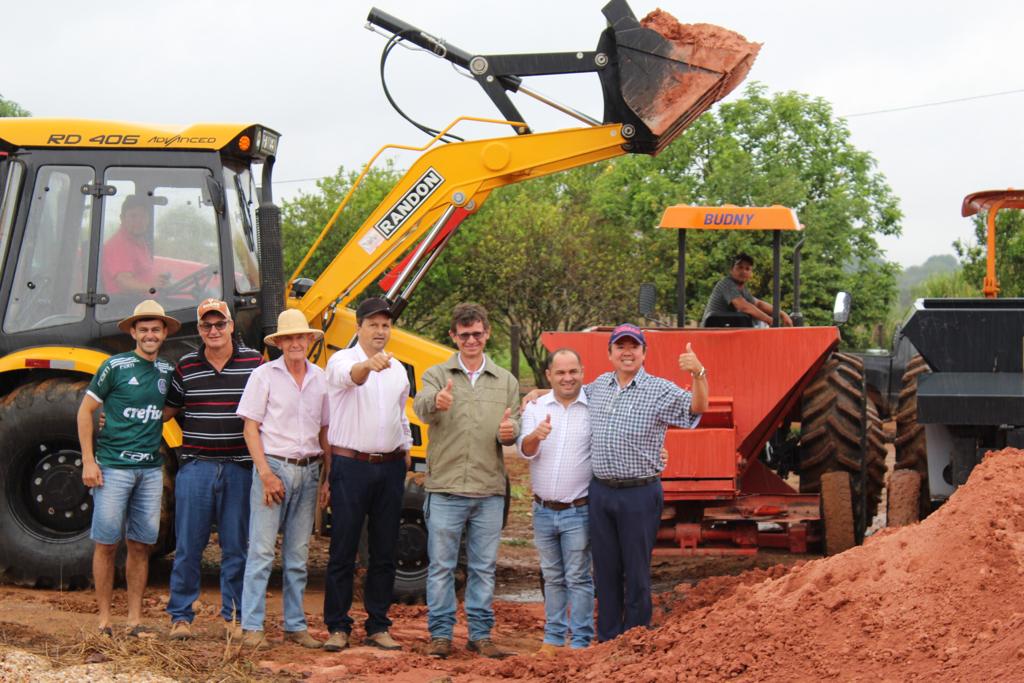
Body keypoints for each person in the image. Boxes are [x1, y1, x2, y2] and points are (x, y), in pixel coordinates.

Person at [413, 302, 520, 660]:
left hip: (489, 490)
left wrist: (510, 432)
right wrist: (437, 401)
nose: (471, 339)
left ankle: (480, 635)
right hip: (445, 488)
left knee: (483, 568)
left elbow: (512, 430)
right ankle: (441, 636)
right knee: (441, 567)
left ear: (487, 333)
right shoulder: (435, 374)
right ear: (453, 336)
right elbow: (421, 405)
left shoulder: (505, 381)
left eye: (477, 333)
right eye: (464, 334)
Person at [587, 323, 708, 642]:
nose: (627, 352)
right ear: (610, 353)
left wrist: (699, 374)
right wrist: (536, 394)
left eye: (634, 346)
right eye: (620, 346)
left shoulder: (659, 389)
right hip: (600, 492)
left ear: (644, 353)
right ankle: (609, 637)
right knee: (605, 568)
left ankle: (636, 635)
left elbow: (696, 408)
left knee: (636, 569)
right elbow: (567, 402)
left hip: (639, 494)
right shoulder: (598, 386)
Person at [77, 299, 179, 637]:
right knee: (106, 544)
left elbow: (165, 411)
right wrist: (89, 461)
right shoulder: (114, 366)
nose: (150, 335)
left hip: (150, 470)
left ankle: (134, 620)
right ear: (133, 332)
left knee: (140, 545)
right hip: (113, 468)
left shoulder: (166, 371)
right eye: (144, 329)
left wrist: (126, 418)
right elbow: (85, 411)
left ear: (164, 333)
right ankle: (104, 620)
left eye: (156, 329)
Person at [165, 298, 264, 639]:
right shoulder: (186, 367)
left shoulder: (254, 363)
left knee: (235, 546)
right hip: (197, 467)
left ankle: (233, 617)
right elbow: (167, 411)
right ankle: (181, 617)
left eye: (219, 324)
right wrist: (113, 416)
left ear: (231, 326)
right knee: (189, 544)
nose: (213, 330)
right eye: (206, 325)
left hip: (239, 467)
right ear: (199, 330)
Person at [236, 309, 331, 650]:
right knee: (261, 551)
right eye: (287, 338)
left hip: (308, 469)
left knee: (298, 555)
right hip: (273, 467)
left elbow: (325, 432)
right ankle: (251, 626)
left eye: (300, 337)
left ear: (309, 340)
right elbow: (250, 428)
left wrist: (327, 479)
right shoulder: (264, 376)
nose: (294, 343)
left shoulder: (321, 378)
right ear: (278, 343)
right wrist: (264, 473)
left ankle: (295, 625)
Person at [322, 297, 411, 652]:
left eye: (386, 325)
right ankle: (338, 626)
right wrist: (368, 367)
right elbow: (351, 378)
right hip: (350, 466)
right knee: (343, 548)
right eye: (373, 324)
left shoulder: (400, 369)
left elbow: (400, 414)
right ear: (358, 327)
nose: (380, 331)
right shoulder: (342, 360)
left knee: (385, 550)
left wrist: (404, 450)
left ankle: (378, 624)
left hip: (389, 467)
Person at [517, 348, 594, 653]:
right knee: (552, 577)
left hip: (579, 509)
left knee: (578, 576)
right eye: (560, 372)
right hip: (543, 510)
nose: (567, 378)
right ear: (549, 375)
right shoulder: (536, 407)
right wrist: (536, 435)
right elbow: (525, 449)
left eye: (573, 371)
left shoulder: (593, 406)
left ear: (582, 372)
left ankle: (581, 640)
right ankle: (552, 638)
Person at [101, 195, 170, 295]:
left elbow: (143, 275)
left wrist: (158, 281)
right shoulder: (119, 245)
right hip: (127, 306)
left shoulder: (138, 242)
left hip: (144, 302)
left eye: (143, 216)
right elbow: (124, 282)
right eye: (133, 216)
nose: (139, 221)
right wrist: (152, 287)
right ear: (122, 218)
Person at [701, 253, 793, 327]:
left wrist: (782, 314)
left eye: (747, 268)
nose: (743, 271)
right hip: (712, 333)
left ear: (751, 273)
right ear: (731, 270)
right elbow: (743, 306)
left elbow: (758, 304)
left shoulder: (743, 290)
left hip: (727, 332)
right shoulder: (726, 284)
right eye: (740, 267)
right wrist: (769, 320)